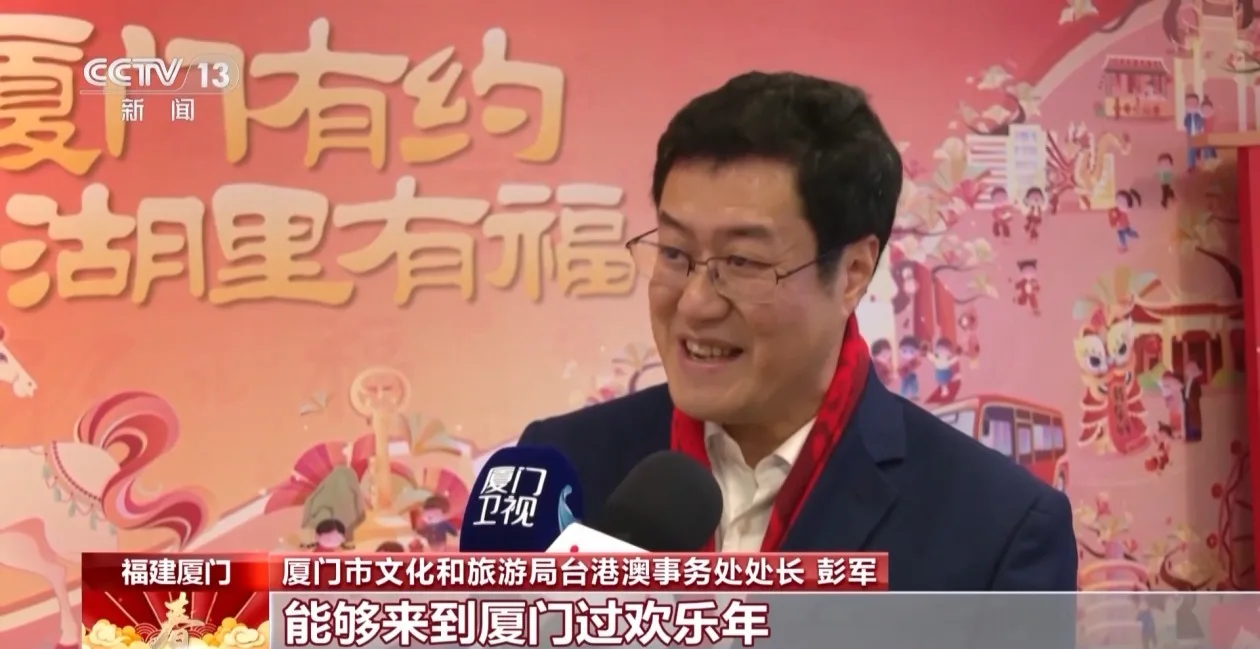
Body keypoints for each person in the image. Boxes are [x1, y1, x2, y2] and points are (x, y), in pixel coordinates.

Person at [517, 72, 1076, 591]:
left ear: (853, 273)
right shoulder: (559, 468)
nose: (695, 302)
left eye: (742, 262)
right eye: (674, 252)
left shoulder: (1000, 529)